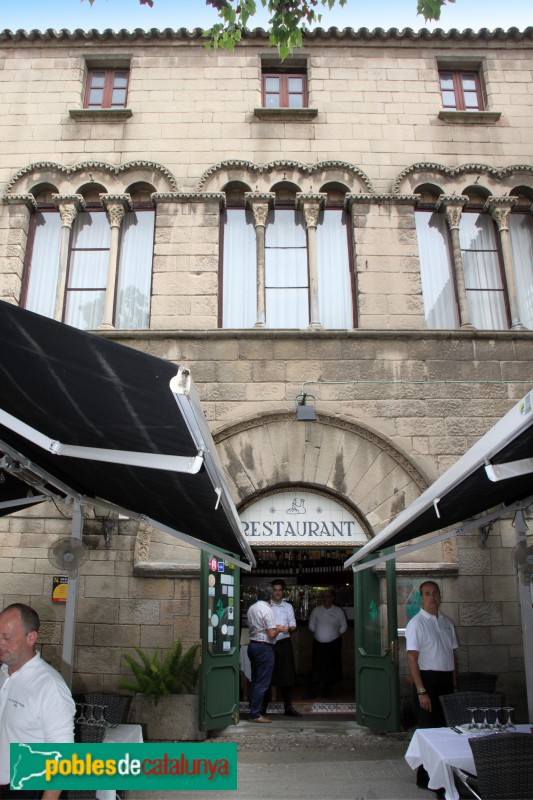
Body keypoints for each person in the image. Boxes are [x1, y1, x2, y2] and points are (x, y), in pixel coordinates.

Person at [0, 603, 75, 800]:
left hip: (26, 789)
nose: (0, 643)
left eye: (7, 637)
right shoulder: (2, 673)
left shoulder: (50, 686)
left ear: (31, 638)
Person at [406, 580, 458, 796]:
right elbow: (412, 658)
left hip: (446, 682)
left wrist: (454, 684)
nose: (432, 597)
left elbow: (452, 655)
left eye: (435, 593)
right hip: (427, 682)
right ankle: (433, 781)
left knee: (445, 730)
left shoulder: (446, 623)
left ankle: (430, 776)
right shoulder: (416, 623)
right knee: (431, 732)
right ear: (421, 598)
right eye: (427, 594)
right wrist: (421, 691)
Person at [262, 580, 301, 718]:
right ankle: (262, 708)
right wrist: (275, 629)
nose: (277, 592)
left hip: (284, 644)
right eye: (275, 590)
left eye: (280, 590)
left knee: (287, 676)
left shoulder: (288, 607)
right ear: (271, 591)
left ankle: (288, 707)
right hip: (269, 644)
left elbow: (293, 625)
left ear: (283, 591)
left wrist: (289, 629)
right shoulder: (266, 606)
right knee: (267, 675)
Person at [246, 584, 280, 723]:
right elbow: (271, 633)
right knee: (262, 682)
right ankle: (256, 714)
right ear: (270, 596)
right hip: (264, 647)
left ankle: (252, 711)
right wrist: (280, 629)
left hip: (253, 645)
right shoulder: (267, 609)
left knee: (255, 680)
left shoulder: (252, 608)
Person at [306, 589, 347, 698]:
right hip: (318, 645)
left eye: (328, 596)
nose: (325, 599)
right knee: (316, 668)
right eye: (323, 596)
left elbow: (343, 627)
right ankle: (312, 692)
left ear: (333, 598)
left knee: (332, 669)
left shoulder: (338, 611)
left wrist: (333, 634)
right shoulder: (316, 610)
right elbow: (311, 626)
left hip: (333, 644)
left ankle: (328, 692)